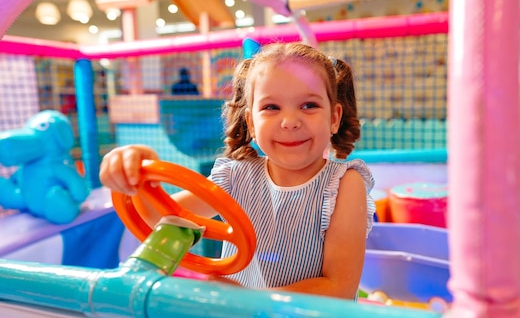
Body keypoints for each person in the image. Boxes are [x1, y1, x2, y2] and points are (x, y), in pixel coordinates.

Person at [100, 43, 375, 300]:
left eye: (309, 105)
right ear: (251, 123)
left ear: (334, 118)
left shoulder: (344, 184)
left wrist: (247, 302)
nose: (290, 121)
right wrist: (135, 172)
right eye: (271, 107)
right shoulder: (236, 175)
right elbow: (157, 218)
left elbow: (338, 288)